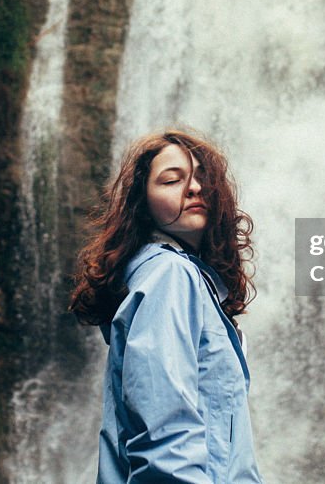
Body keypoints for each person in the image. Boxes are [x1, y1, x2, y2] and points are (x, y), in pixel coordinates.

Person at [69, 130, 264, 483]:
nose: (194, 188)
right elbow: (165, 434)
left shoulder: (169, 278)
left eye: (204, 178)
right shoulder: (170, 274)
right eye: (172, 180)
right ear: (142, 206)